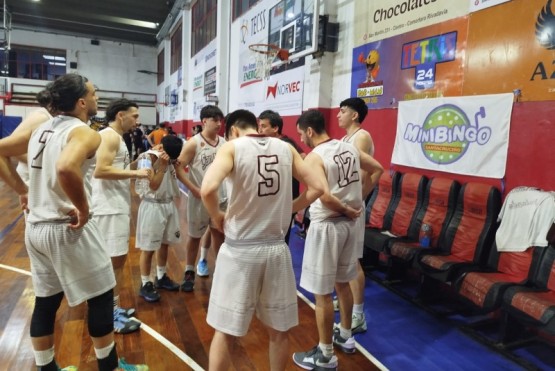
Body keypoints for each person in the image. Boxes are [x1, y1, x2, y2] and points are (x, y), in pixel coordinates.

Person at [0, 73, 148, 370]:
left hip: (36, 229)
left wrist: (23, 190)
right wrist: (82, 208)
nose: (96, 99)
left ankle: (47, 367)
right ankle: (110, 367)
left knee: (46, 301)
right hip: (67, 229)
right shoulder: (84, 132)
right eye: (94, 94)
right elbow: (67, 167)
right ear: (82, 101)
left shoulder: (38, 130)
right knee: (102, 296)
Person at [200, 109, 326, 370]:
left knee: (225, 331)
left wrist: (218, 216)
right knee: (279, 331)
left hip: (240, 251)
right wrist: (290, 208)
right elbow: (319, 188)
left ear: (233, 130)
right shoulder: (285, 148)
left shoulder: (232, 147)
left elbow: (208, 188)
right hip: (276, 249)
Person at [292, 109, 383, 370]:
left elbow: (322, 194)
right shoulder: (347, 147)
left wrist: (343, 207)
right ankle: (345, 336)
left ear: (310, 131)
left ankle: (325, 355)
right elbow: (377, 168)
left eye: (301, 134)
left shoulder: (315, 156)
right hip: (349, 225)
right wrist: (359, 200)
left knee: (321, 293)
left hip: (328, 226)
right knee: (343, 282)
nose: (301, 140)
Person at [91, 98, 151, 334]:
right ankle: (108, 315)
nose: (138, 120)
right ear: (120, 115)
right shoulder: (109, 136)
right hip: (108, 208)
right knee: (111, 262)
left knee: (117, 262)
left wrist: (141, 159)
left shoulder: (118, 137)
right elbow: (101, 170)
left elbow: (118, 167)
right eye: (134, 116)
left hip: (116, 205)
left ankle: (110, 309)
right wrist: (136, 172)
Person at [336, 97, 377, 334]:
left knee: (352, 262)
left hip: (353, 206)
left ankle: (359, 315)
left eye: (342, 111)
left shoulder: (361, 136)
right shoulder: (344, 139)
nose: (339, 115)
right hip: (344, 205)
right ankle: (346, 301)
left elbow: (363, 174)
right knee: (343, 260)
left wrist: (358, 199)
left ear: (354, 115)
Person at [176, 105, 226, 289]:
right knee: (194, 236)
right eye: (215, 120)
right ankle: (189, 272)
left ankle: (220, 272)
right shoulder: (193, 143)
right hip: (199, 198)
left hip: (220, 198)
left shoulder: (224, 143)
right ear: (204, 121)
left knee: (219, 235)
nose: (219, 124)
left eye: (220, 120)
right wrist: (193, 188)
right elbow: (178, 168)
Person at [137, 136, 183, 302]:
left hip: (168, 204)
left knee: (165, 243)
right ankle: (145, 283)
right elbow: (153, 185)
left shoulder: (168, 158)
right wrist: (163, 166)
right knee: (148, 247)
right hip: (152, 205)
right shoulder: (146, 158)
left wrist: (172, 163)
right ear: (161, 147)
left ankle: (161, 276)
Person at [258, 109, 305, 245]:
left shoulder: (286, 144)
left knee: (280, 240)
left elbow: (303, 159)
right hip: (271, 198)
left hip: (285, 199)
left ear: (275, 128)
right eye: (259, 126)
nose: (259, 130)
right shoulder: (270, 143)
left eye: (264, 126)